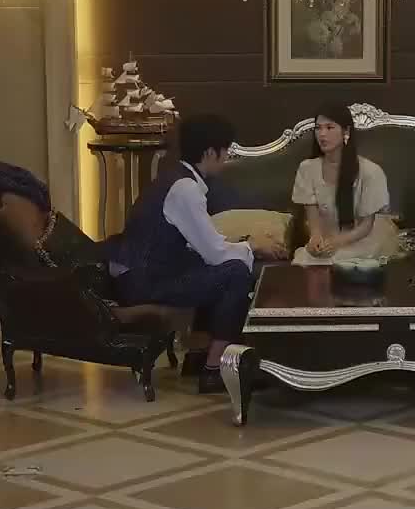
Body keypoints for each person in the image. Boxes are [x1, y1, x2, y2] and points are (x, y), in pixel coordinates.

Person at [105, 113, 269, 392]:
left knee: (211, 267)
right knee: (236, 273)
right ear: (210, 153)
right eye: (225, 150)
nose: (227, 157)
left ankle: (198, 355)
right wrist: (252, 246)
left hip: (139, 272)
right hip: (142, 281)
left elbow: (202, 245)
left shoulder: (175, 178)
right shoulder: (185, 189)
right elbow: (216, 254)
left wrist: (242, 246)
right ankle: (215, 369)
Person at [291, 103, 394, 265]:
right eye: (318, 128)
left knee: (339, 262)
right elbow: (313, 221)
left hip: (361, 241)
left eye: (329, 127)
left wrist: (337, 242)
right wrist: (315, 238)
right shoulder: (307, 168)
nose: (322, 134)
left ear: (346, 132)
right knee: (305, 261)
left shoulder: (370, 172)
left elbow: (366, 227)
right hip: (327, 242)